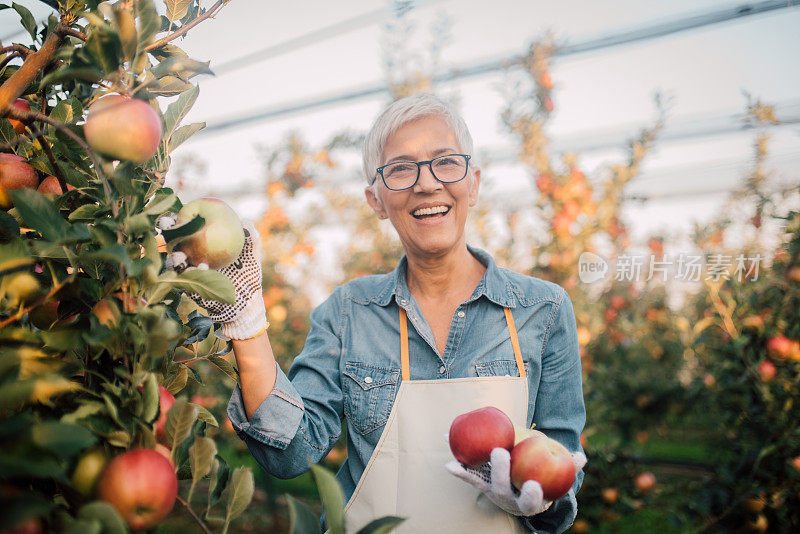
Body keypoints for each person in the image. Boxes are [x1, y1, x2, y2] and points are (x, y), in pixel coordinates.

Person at [193, 93, 586, 533]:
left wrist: (539, 499)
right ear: (375, 200)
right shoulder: (348, 313)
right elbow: (291, 452)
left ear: (472, 183)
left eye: (446, 162)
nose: (427, 183)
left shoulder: (544, 309)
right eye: (401, 169)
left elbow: (563, 465)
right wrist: (247, 325)